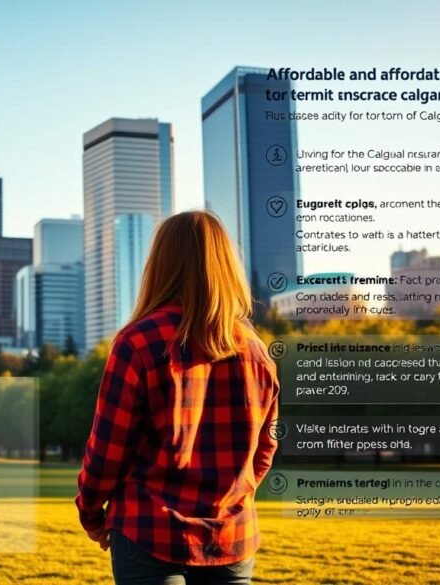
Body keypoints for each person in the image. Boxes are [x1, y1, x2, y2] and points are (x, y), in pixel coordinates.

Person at [76, 210, 280, 585]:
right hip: (230, 533)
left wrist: (90, 512)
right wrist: (234, 496)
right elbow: (265, 448)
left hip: (147, 530)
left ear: (160, 265)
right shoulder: (257, 351)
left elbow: (107, 449)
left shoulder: (136, 342)